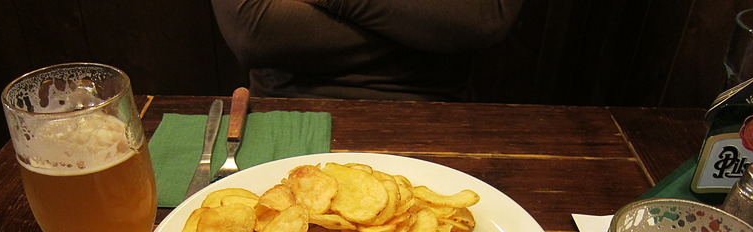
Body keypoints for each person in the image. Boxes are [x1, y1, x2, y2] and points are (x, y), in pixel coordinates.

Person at [211, 0, 523, 101]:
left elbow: (481, 19)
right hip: (287, 113)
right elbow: (253, 30)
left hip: (434, 111)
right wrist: (420, 31)